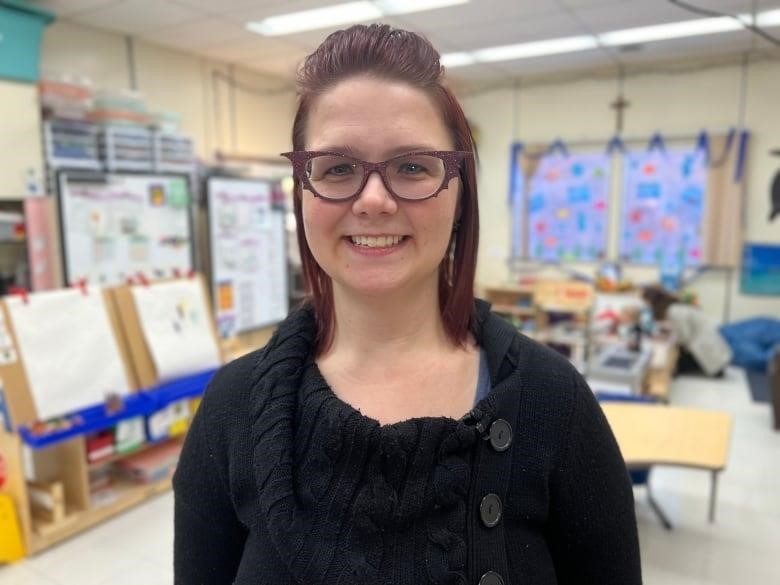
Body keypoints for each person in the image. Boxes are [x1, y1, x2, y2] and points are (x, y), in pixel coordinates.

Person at [173, 24, 641, 585]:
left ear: (459, 191)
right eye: (337, 168)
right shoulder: (232, 408)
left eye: (413, 166)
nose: (373, 200)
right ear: (301, 191)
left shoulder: (554, 402)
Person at [641, 284, 732, 377]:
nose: (647, 307)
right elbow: (680, 330)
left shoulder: (673, 311)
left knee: (671, 366)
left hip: (709, 355)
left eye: (647, 303)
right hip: (712, 352)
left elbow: (684, 338)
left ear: (653, 301)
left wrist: (666, 339)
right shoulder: (675, 307)